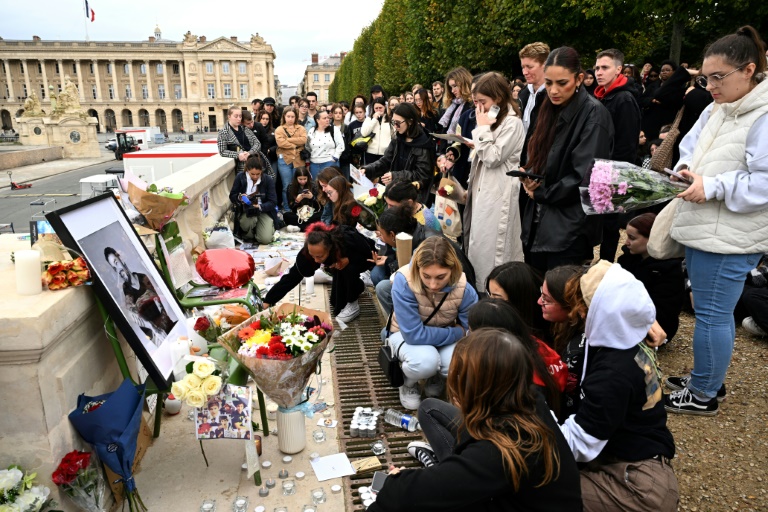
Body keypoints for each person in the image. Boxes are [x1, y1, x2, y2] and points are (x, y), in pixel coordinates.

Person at [663, 26, 768, 417]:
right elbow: (690, 148)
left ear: (749, 70)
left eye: (718, 77)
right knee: (710, 310)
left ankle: (703, 393)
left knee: (711, 314)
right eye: (705, 78)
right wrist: (686, 171)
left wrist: (713, 185)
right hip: (707, 225)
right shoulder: (718, 108)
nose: (709, 86)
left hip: (730, 234)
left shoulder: (762, 115)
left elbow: (764, 182)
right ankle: (706, 379)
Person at [369, 329, 582, 512]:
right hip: (507, 486)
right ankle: (449, 470)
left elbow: (401, 496)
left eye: (459, 376)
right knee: (429, 408)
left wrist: (396, 483)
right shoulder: (526, 396)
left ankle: (448, 471)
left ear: (477, 388)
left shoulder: (502, 449)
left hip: (506, 492)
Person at [558, 261, 679, 511]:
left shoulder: (612, 373)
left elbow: (580, 443)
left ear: (598, 313)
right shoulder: (631, 337)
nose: (578, 313)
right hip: (642, 461)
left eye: (583, 306)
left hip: (638, 488)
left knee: (540, 492)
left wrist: (533, 426)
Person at [520, 46, 614, 272]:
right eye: (549, 82)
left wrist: (542, 192)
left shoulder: (594, 114)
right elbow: (532, 152)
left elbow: (586, 177)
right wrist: (528, 175)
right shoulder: (546, 106)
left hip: (569, 229)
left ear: (579, 78)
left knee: (560, 300)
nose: (553, 90)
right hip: (537, 222)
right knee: (537, 297)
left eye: (562, 83)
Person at [386, 237, 478, 410]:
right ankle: (409, 382)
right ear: (418, 268)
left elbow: (471, 331)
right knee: (425, 361)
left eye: (441, 277)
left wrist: (462, 333)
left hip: (441, 332)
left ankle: (436, 376)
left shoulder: (464, 287)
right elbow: (414, 335)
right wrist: (457, 333)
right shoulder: (403, 280)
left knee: (456, 363)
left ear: (453, 270)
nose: (433, 284)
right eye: (426, 276)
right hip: (405, 335)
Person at [460, 72, 525, 290]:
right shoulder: (492, 119)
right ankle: (478, 290)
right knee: (478, 245)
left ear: (497, 98)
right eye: (476, 102)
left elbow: (493, 157)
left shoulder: (513, 123)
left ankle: (492, 292)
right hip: (483, 191)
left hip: (499, 194)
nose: (478, 107)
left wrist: (481, 130)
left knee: (493, 250)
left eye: (482, 102)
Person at [373, 205, 475, 317]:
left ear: (392, 234)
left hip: (451, 294)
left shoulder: (424, 247)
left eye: (382, 234)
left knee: (383, 287)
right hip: (443, 289)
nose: (381, 238)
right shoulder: (416, 234)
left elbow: (433, 283)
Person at [262, 222, 374, 323]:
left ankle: (353, 302)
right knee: (337, 304)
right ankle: (358, 286)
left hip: (363, 258)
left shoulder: (346, 240)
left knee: (347, 268)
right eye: (312, 256)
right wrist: (269, 300)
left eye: (320, 256)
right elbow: (292, 277)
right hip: (338, 264)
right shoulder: (308, 252)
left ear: (330, 249)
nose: (316, 260)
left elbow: (369, 255)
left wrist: (349, 259)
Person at [467, 299, 565, 412]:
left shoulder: (511, 378)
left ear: (489, 338)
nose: (468, 338)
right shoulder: (535, 345)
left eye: (471, 332)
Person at [594, 48, 642, 262]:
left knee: (609, 224)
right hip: (601, 167)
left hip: (613, 170)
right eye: (597, 68)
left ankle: (605, 263)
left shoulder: (623, 99)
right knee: (600, 222)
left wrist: (616, 176)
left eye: (604, 67)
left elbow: (626, 143)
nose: (599, 72)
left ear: (619, 69)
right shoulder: (604, 95)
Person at [617, 213, 685, 343]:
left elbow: (664, 311)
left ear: (652, 239)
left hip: (656, 327)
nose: (626, 242)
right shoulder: (627, 259)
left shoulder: (669, 270)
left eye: (632, 238)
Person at [361, 103, 435, 203]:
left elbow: (422, 175)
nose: (395, 126)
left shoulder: (423, 143)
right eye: (393, 122)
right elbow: (386, 161)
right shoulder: (398, 138)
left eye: (398, 123)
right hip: (396, 193)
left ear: (410, 122)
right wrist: (367, 170)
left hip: (413, 198)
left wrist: (396, 176)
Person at [540, 265, 586, 420]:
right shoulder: (562, 324)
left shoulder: (576, 353)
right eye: (542, 293)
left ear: (570, 306)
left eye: (547, 300)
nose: (539, 301)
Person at [104, 247, 174, 345]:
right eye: (114, 267)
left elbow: (163, 296)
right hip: (158, 338)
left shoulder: (143, 276)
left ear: (122, 259)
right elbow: (130, 316)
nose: (118, 269)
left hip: (171, 326)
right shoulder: (125, 291)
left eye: (116, 262)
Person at [229, 155, 277, 244]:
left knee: (265, 240)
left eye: (258, 174)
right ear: (247, 170)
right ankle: (250, 233)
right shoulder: (240, 177)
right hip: (246, 211)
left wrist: (259, 206)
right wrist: (240, 198)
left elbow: (273, 201)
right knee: (250, 221)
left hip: (263, 210)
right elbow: (232, 196)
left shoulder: (267, 180)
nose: (255, 176)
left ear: (261, 171)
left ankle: (265, 229)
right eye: (252, 174)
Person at [275, 107, 308, 212]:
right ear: (284, 117)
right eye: (288, 116)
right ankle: (287, 207)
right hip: (284, 159)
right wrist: (294, 145)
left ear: (296, 117)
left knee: (299, 184)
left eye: (292, 116)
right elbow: (280, 143)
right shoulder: (279, 129)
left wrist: (288, 140)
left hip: (298, 160)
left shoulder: (301, 128)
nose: (290, 119)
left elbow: (303, 140)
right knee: (287, 185)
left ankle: (299, 206)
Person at [217, 106, 261, 174]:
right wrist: (238, 155)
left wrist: (249, 153)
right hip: (241, 167)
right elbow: (222, 151)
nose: (239, 119)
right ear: (229, 116)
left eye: (240, 116)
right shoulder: (223, 132)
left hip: (255, 163)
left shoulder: (244, 129)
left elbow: (257, 143)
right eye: (236, 116)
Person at [306, 110, 344, 180]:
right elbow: (308, 147)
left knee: (331, 185)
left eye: (328, 118)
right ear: (318, 120)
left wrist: (335, 157)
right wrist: (308, 163)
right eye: (324, 118)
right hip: (314, 164)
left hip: (329, 162)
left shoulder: (334, 129)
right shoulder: (311, 131)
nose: (327, 120)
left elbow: (341, 145)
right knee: (317, 186)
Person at [438, 67, 473, 135]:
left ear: (464, 84)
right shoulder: (452, 104)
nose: (452, 90)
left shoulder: (473, 104)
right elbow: (445, 129)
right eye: (451, 87)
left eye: (455, 86)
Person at [361, 97, 393, 167]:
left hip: (385, 154)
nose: (378, 110)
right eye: (376, 108)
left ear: (384, 107)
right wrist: (374, 119)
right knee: (371, 176)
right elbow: (364, 132)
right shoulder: (369, 119)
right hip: (371, 153)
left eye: (380, 107)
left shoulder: (390, 119)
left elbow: (394, 135)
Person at [345, 104, 367, 168]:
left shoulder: (369, 123)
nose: (359, 114)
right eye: (356, 113)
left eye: (360, 112)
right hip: (356, 152)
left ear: (364, 112)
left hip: (367, 151)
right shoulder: (351, 125)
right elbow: (349, 139)